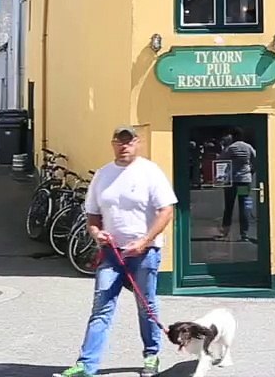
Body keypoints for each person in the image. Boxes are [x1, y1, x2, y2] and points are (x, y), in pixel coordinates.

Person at [55, 126, 177, 377]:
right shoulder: (103, 175)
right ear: (112, 144)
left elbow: (167, 211)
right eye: (119, 142)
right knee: (101, 307)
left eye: (129, 141)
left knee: (146, 306)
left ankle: (151, 355)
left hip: (144, 253)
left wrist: (144, 241)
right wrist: (96, 232)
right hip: (111, 254)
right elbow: (92, 213)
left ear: (137, 143)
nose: (124, 146)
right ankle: (86, 366)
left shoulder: (150, 172)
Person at [218, 128, 256, 242]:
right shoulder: (248, 147)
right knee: (243, 206)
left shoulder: (231, 148)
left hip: (231, 181)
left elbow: (220, 159)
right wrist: (251, 171)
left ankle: (225, 232)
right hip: (244, 180)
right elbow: (255, 158)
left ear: (233, 137)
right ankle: (244, 233)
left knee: (229, 206)